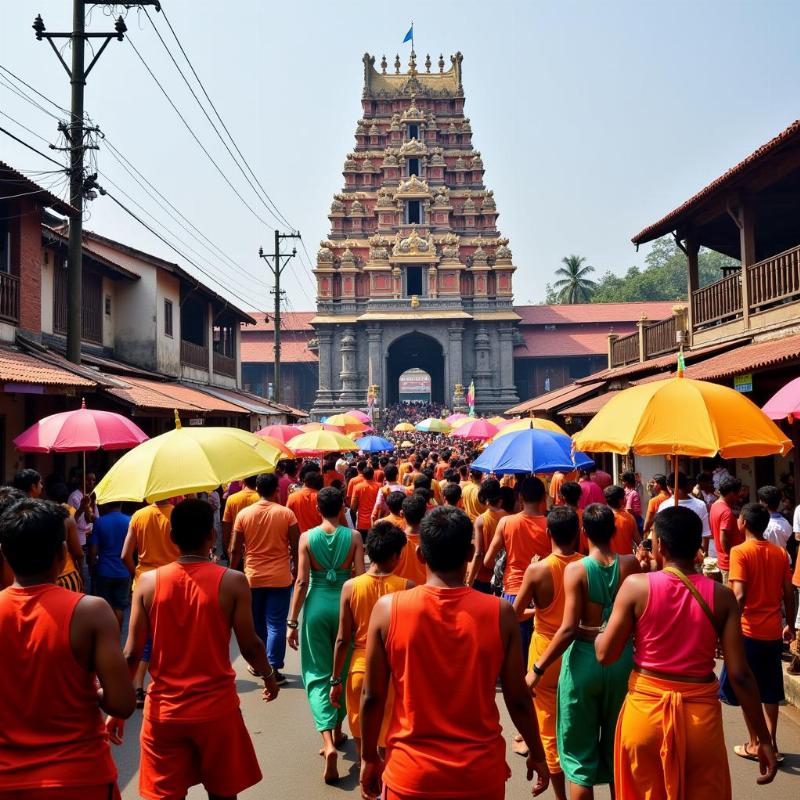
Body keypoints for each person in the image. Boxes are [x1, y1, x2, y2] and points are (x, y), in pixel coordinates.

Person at [359, 506, 549, 800]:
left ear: (421, 554)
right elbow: (518, 698)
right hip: (479, 773)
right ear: (471, 552)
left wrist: (369, 756)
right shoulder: (500, 613)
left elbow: (372, 696)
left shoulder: (387, 610)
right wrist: (537, 753)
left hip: (411, 773)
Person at [595, 505, 778, 797]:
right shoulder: (723, 597)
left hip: (644, 716)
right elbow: (741, 675)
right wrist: (764, 738)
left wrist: (601, 630)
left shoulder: (635, 586)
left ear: (660, 546)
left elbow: (605, 654)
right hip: (699, 721)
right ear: (697, 547)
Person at [110, 498, 278, 800]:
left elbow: (131, 653)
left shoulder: (147, 583)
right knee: (223, 793)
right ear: (211, 536)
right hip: (217, 711)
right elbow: (250, 645)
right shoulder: (234, 581)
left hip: (164, 712)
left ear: (172, 537)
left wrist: (117, 708)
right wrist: (267, 676)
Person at [0, 498, 135, 800]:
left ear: (3, 555)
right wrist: (94, 691)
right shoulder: (91, 611)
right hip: (80, 776)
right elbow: (122, 703)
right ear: (62, 554)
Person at [529, 503, 641, 798]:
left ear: (584, 532)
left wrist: (537, 670)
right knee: (618, 751)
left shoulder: (576, 570)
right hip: (621, 658)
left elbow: (567, 629)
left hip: (584, 660)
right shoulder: (630, 564)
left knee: (579, 760)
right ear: (615, 530)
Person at [287, 487, 365, 784]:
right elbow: (359, 578)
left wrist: (292, 621)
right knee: (342, 670)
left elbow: (301, 581)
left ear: (318, 509)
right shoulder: (354, 537)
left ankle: (329, 741)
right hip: (345, 605)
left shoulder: (307, 538)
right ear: (343, 508)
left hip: (317, 605)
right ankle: (338, 727)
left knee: (318, 673)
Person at [512, 506, 583, 800]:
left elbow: (514, 613)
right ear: (578, 533)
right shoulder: (587, 565)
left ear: (548, 533)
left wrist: (538, 610)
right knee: (578, 723)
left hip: (544, 654)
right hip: (579, 651)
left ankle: (560, 795)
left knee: (548, 727)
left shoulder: (538, 570)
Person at [719, 503, 795, 762]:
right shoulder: (779, 552)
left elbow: (738, 596)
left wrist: (725, 629)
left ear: (743, 523)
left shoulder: (739, 551)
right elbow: (788, 593)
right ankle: (771, 741)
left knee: (747, 689)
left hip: (747, 631)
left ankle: (755, 743)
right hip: (773, 630)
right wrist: (791, 625)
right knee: (770, 689)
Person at [330, 521, 411, 761]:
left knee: (360, 731)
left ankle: (367, 775)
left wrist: (335, 679)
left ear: (368, 550)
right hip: (392, 671)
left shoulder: (350, 587)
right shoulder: (407, 587)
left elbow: (343, 639)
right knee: (389, 735)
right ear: (396, 555)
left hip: (358, 670)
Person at [230, 472, 300, 686]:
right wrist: (297, 569)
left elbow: (235, 549)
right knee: (276, 623)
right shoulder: (286, 514)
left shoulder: (244, 514)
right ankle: (274, 667)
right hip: (280, 577)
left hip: (252, 577)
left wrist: (231, 571)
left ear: (257, 490)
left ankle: (260, 665)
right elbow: (296, 546)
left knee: (256, 623)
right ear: (277, 491)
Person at [121, 496, 180, 706]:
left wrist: (136, 575)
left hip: (144, 584)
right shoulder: (177, 514)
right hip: (173, 582)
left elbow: (125, 555)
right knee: (171, 634)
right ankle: (167, 684)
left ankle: (138, 687)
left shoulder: (138, 515)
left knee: (142, 638)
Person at [484, 476, 550, 659]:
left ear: (520, 497)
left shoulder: (506, 522)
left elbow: (488, 561)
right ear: (543, 497)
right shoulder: (550, 526)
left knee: (514, 660)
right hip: (543, 596)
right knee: (540, 660)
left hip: (513, 593)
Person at [90, 501, 132, 627]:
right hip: (123, 571)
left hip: (104, 570)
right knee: (119, 607)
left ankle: (106, 637)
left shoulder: (100, 522)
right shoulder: (129, 521)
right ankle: (117, 636)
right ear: (121, 504)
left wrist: (92, 567)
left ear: (107, 505)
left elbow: (93, 550)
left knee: (104, 607)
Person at [466, 478, 507, 593]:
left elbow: (478, 553)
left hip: (483, 576)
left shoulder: (481, 520)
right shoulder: (508, 517)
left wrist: (470, 579)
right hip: (502, 574)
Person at [657, 471, 711, 552]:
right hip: (683, 554)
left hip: (688, 555)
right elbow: (705, 534)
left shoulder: (664, 506)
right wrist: (704, 554)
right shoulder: (700, 505)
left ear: (669, 488)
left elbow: (659, 536)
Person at [711, 475, 744, 582]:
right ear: (731, 493)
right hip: (729, 563)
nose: (739, 496)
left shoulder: (715, 505)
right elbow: (723, 540)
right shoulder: (726, 512)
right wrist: (733, 556)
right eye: (737, 493)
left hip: (723, 560)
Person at [393, 492, 428, 586]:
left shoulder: (393, 541)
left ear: (401, 513)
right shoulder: (432, 541)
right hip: (424, 594)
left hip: (399, 594)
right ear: (425, 514)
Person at [221, 475, 259, 557]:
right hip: (255, 549)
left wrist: (225, 547)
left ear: (244, 481)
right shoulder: (261, 499)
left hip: (235, 547)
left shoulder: (232, 499)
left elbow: (226, 526)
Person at [603, 485, 641, 555]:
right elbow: (638, 540)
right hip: (626, 561)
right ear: (621, 500)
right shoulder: (629, 518)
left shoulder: (602, 518)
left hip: (607, 562)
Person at [287, 467, 324, 533]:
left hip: (301, 538)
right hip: (321, 537)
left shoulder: (292, 497)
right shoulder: (323, 497)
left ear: (305, 482)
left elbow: (288, 519)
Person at [758, 485, 793, 549]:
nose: (759, 503)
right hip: (785, 557)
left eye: (760, 500)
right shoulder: (787, 522)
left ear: (765, 503)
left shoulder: (762, 524)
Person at [351, 466, 381, 538]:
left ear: (363, 475)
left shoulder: (357, 487)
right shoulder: (380, 486)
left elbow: (353, 506)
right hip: (376, 522)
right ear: (373, 475)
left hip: (362, 523)